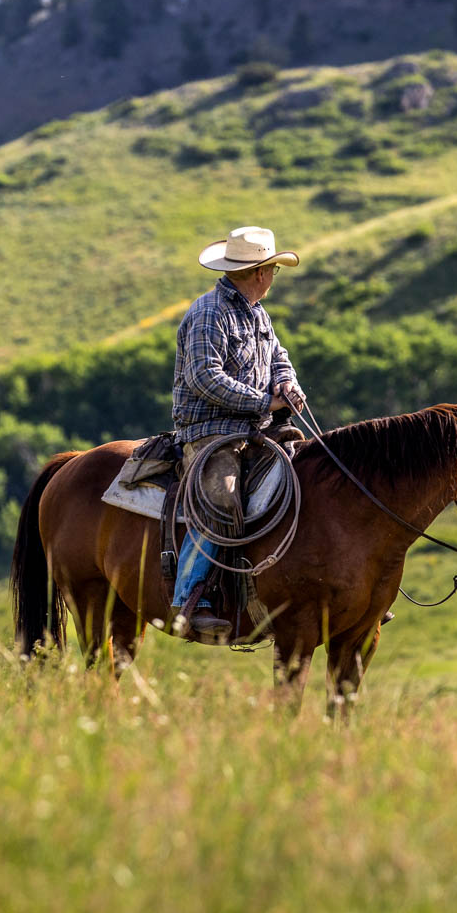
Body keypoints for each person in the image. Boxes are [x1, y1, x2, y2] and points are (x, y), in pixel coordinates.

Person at [170, 225, 306, 637]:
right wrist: (264, 402)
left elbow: (279, 358)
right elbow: (204, 378)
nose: (272, 279)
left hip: (256, 429)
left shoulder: (257, 313)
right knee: (221, 498)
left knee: (311, 476)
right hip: (210, 431)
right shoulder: (210, 312)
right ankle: (189, 600)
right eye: (272, 271)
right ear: (261, 273)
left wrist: (287, 384)